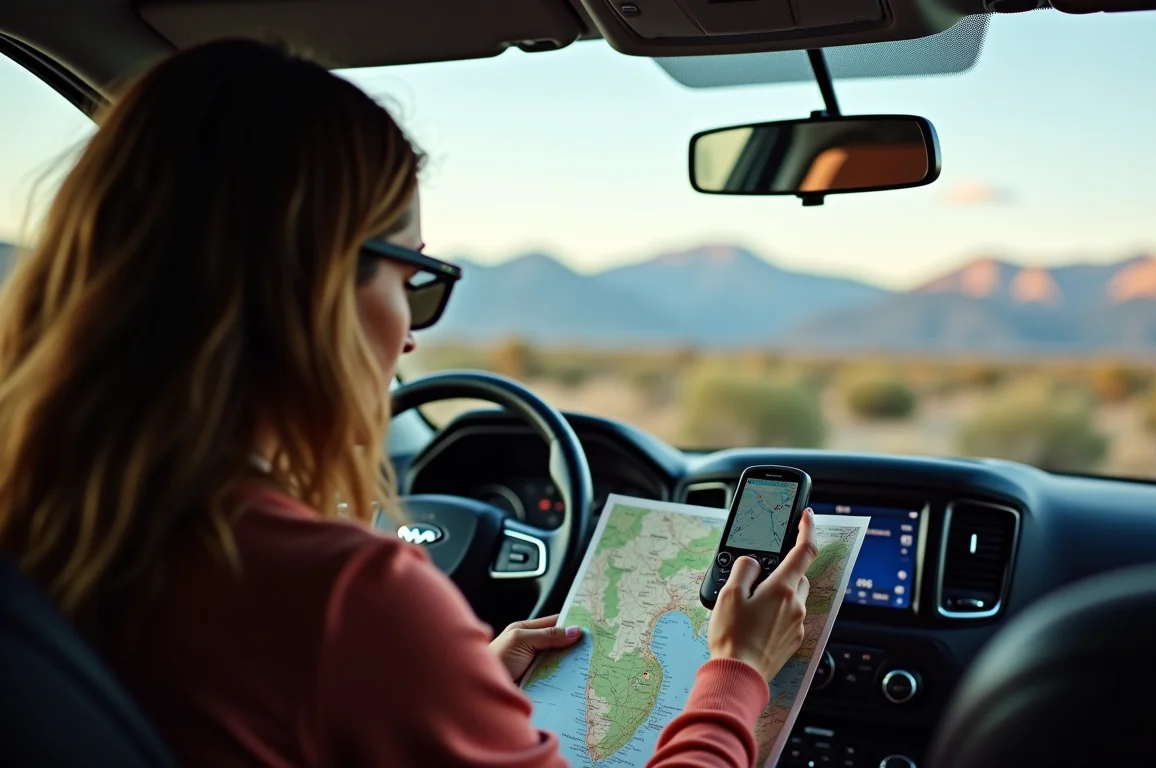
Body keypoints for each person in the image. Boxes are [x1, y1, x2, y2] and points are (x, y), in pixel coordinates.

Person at [0, 39, 820, 767]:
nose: (411, 339)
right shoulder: (344, 599)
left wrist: (450, 684)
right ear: (313, 285)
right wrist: (738, 676)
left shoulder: (39, 520)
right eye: (412, 281)